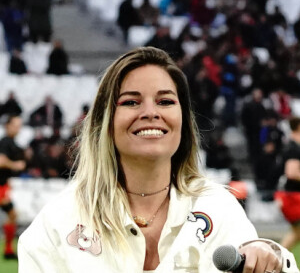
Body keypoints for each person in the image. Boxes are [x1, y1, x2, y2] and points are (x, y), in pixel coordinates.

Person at [18, 47, 298, 272]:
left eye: (165, 101)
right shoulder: (56, 224)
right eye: (130, 102)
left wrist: (268, 256)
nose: (151, 112)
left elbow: (265, 260)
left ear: (182, 121)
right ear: (105, 123)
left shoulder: (219, 207)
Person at [0, 115, 26, 259]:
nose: (18, 128)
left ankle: (8, 250)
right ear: (8, 126)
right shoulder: (5, 142)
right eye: (15, 125)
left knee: (12, 215)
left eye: (19, 125)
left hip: (3, 185)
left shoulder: (10, 142)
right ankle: (8, 250)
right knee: (12, 215)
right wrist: (15, 165)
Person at [275, 117, 300, 252]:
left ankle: (278, 257)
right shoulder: (294, 148)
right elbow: (291, 172)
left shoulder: (290, 146)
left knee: (296, 233)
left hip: (290, 195)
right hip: (293, 196)